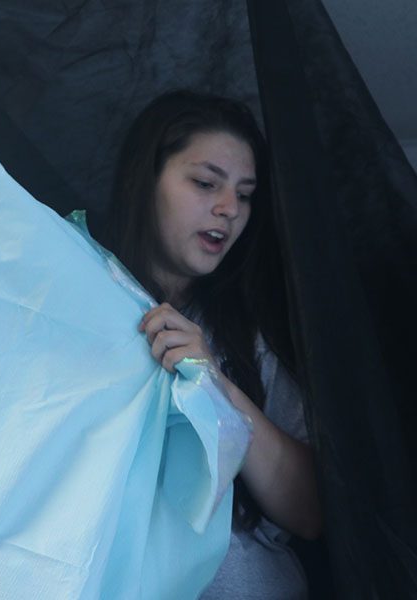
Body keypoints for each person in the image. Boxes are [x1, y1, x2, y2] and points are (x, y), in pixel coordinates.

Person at [95, 90, 322, 598]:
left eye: (245, 195)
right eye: (205, 183)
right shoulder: (82, 294)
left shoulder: (248, 335)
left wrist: (213, 378)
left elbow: (310, 511)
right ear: (146, 180)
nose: (228, 210)